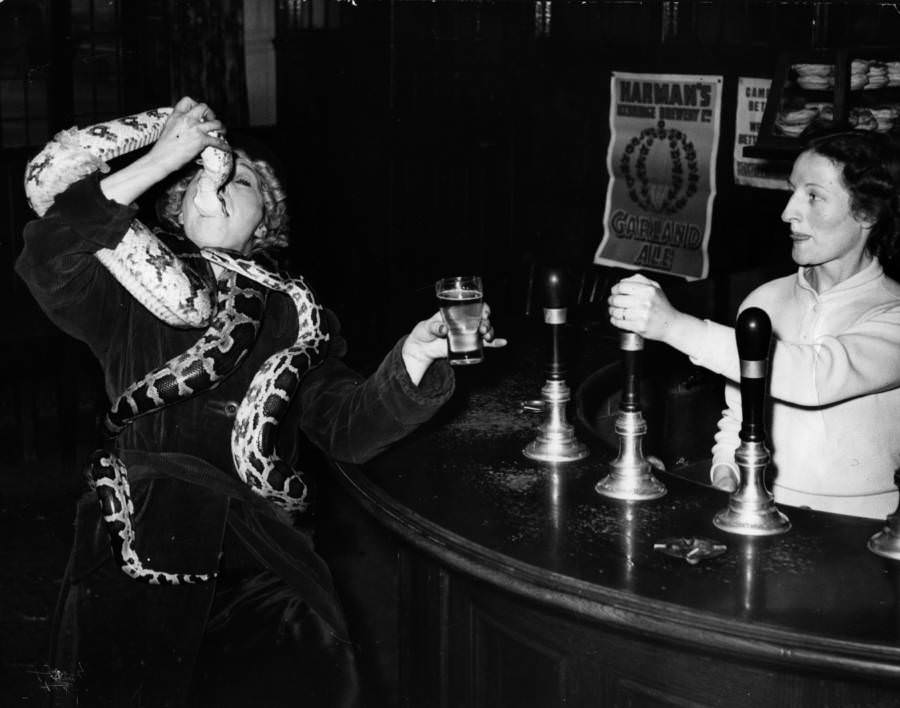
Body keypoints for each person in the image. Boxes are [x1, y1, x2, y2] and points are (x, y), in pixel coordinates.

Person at [15, 96, 504, 707]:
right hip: (137, 539)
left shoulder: (301, 317)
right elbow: (49, 259)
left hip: (260, 557)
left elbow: (348, 427)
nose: (215, 181)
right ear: (177, 205)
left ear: (264, 220)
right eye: (196, 176)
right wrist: (164, 154)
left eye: (240, 180)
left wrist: (416, 355)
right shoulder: (123, 291)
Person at [607, 129, 900, 520]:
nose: (788, 212)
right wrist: (726, 472)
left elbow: (814, 376)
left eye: (813, 196)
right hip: (762, 512)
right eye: (793, 191)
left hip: (861, 532)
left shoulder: (893, 312)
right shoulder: (765, 301)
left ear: (867, 213)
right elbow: (740, 414)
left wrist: (673, 325)